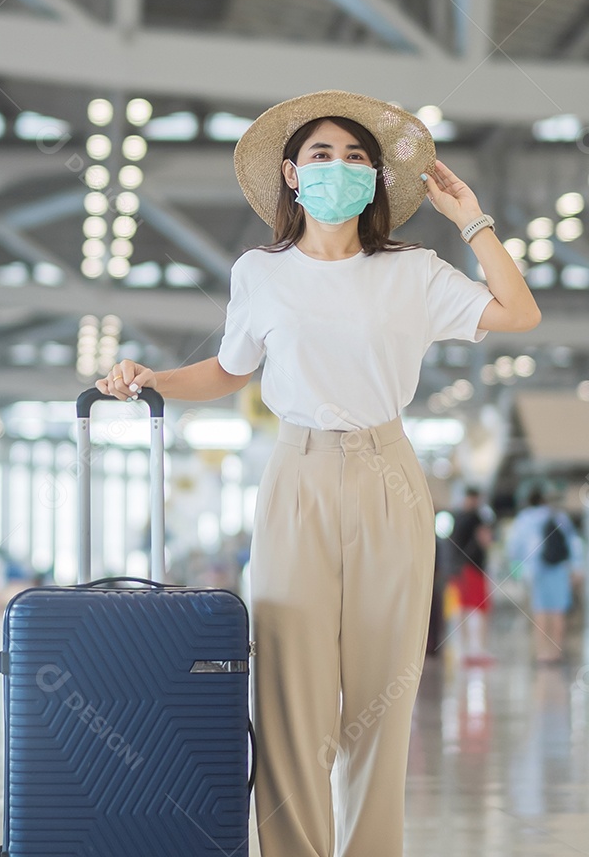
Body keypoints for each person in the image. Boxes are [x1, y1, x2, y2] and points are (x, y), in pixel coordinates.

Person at [97, 90, 542, 857]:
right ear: (291, 175)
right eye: (322, 155)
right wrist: (154, 377)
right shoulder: (260, 273)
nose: (340, 167)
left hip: (390, 477)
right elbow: (229, 371)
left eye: (357, 157)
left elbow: (519, 312)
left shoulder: (413, 271)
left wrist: (471, 218)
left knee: (381, 696)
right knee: (289, 700)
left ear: (374, 179)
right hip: (296, 478)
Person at [508, 486, 584, 663]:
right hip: (559, 570)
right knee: (558, 610)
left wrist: (517, 571)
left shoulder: (524, 519)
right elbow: (573, 543)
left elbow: (514, 549)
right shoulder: (559, 516)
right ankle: (556, 652)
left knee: (540, 610)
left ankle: (542, 653)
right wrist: (577, 568)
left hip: (536, 570)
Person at [447, 485, 495, 663]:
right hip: (473, 568)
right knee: (479, 609)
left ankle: (463, 650)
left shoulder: (456, 516)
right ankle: (478, 650)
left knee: (461, 608)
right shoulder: (477, 517)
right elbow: (486, 539)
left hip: (457, 570)